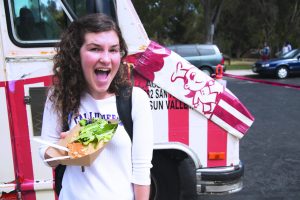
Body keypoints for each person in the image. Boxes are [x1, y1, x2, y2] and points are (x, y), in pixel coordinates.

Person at [39, 13, 153, 200]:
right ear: (76, 54)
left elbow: (141, 170)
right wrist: (65, 148)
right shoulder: (59, 97)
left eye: (114, 50)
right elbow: (46, 156)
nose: (106, 59)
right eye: (95, 49)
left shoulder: (135, 100)